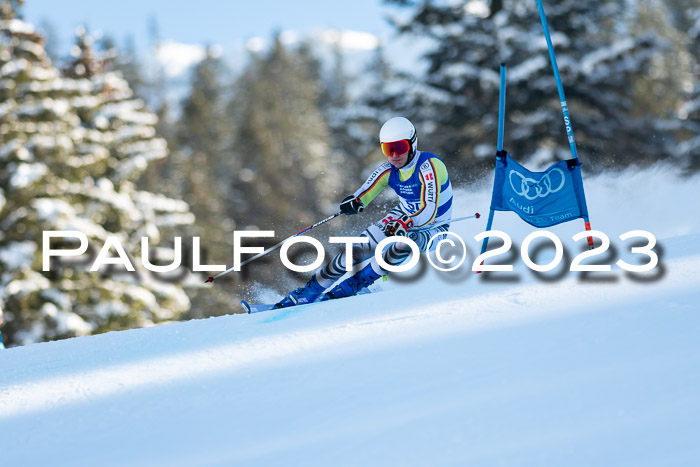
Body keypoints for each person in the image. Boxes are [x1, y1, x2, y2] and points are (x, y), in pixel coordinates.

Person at [276, 116, 453, 308]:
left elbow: (429, 208)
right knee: (357, 250)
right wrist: (354, 203)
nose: (394, 155)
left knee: (403, 244)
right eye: (387, 149)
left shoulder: (430, 166)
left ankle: (352, 286)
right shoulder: (388, 170)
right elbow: (364, 193)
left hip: (435, 227)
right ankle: (311, 290)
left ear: (412, 144)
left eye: (399, 147)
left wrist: (407, 222)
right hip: (401, 218)